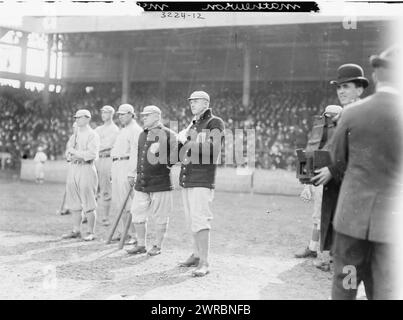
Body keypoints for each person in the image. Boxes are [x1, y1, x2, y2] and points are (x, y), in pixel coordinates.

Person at [329, 46, 402, 299]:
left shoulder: (352, 112)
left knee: (346, 281)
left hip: (352, 216)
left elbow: (336, 160)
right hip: (392, 222)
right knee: (385, 287)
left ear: (376, 76)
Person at [310, 64, 369, 272]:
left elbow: (360, 152)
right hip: (339, 183)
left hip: (358, 185)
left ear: (360, 89)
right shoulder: (345, 114)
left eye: (347, 87)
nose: (341, 91)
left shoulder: (365, 113)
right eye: (338, 87)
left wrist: (332, 170)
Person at [177, 91, 225, 277]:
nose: (192, 104)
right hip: (188, 177)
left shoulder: (214, 122)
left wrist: (187, 141)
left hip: (202, 178)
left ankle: (205, 262)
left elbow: (212, 149)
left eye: (196, 101)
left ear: (206, 102)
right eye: (190, 101)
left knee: (200, 219)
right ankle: (196, 254)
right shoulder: (194, 123)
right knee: (191, 220)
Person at [126, 105, 176, 256]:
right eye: (143, 115)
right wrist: (132, 173)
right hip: (142, 181)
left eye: (147, 115)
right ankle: (141, 244)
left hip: (160, 182)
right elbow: (138, 157)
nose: (144, 118)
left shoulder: (169, 134)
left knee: (161, 215)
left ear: (157, 116)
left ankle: (157, 245)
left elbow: (179, 154)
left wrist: (166, 161)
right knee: (137, 213)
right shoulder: (142, 134)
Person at [62, 109, 100, 241]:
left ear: (87, 118)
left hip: (87, 168)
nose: (76, 120)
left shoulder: (92, 135)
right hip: (74, 168)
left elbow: (91, 155)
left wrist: (75, 152)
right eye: (75, 117)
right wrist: (70, 154)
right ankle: (76, 230)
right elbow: (67, 154)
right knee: (74, 201)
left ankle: (91, 232)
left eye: (79, 117)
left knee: (89, 200)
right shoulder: (74, 136)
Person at [110, 103, 142, 243]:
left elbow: (136, 153)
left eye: (123, 114)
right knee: (119, 202)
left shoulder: (136, 129)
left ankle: (134, 235)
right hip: (117, 164)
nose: (120, 117)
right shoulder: (123, 129)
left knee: (129, 203)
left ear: (131, 114)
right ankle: (123, 232)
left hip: (127, 165)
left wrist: (132, 172)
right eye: (119, 114)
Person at [95, 105, 119, 226]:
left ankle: (105, 217)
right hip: (96, 159)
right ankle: (88, 214)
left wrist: (97, 147)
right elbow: (93, 143)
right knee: (92, 187)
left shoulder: (115, 129)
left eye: (105, 112)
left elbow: (108, 145)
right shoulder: (98, 129)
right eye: (102, 112)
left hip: (107, 159)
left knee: (105, 188)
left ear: (111, 114)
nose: (103, 114)